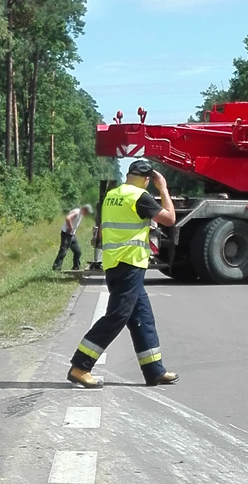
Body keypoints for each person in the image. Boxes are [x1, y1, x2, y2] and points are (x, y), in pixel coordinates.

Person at [67, 159, 179, 388]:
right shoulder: (140, 197)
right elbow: (170, 218)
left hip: (115, 263)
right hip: (129, 263)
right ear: (147, 180)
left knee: (142, 317)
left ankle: (154, 370)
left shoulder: (113, 195)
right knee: (118, 316)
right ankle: (81, 365)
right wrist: (164, 188)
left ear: (129, 175)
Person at [52, 204, 94, 271]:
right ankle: (56, 268)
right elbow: (68, 218)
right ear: (84, 209)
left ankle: (76, 267)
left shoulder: (81, 214)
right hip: (66, 234)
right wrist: (70, 227)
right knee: (63, 252)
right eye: (87, 212)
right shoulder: (77, 212)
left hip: (72, 235)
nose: (87, 214)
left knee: (78, 252)